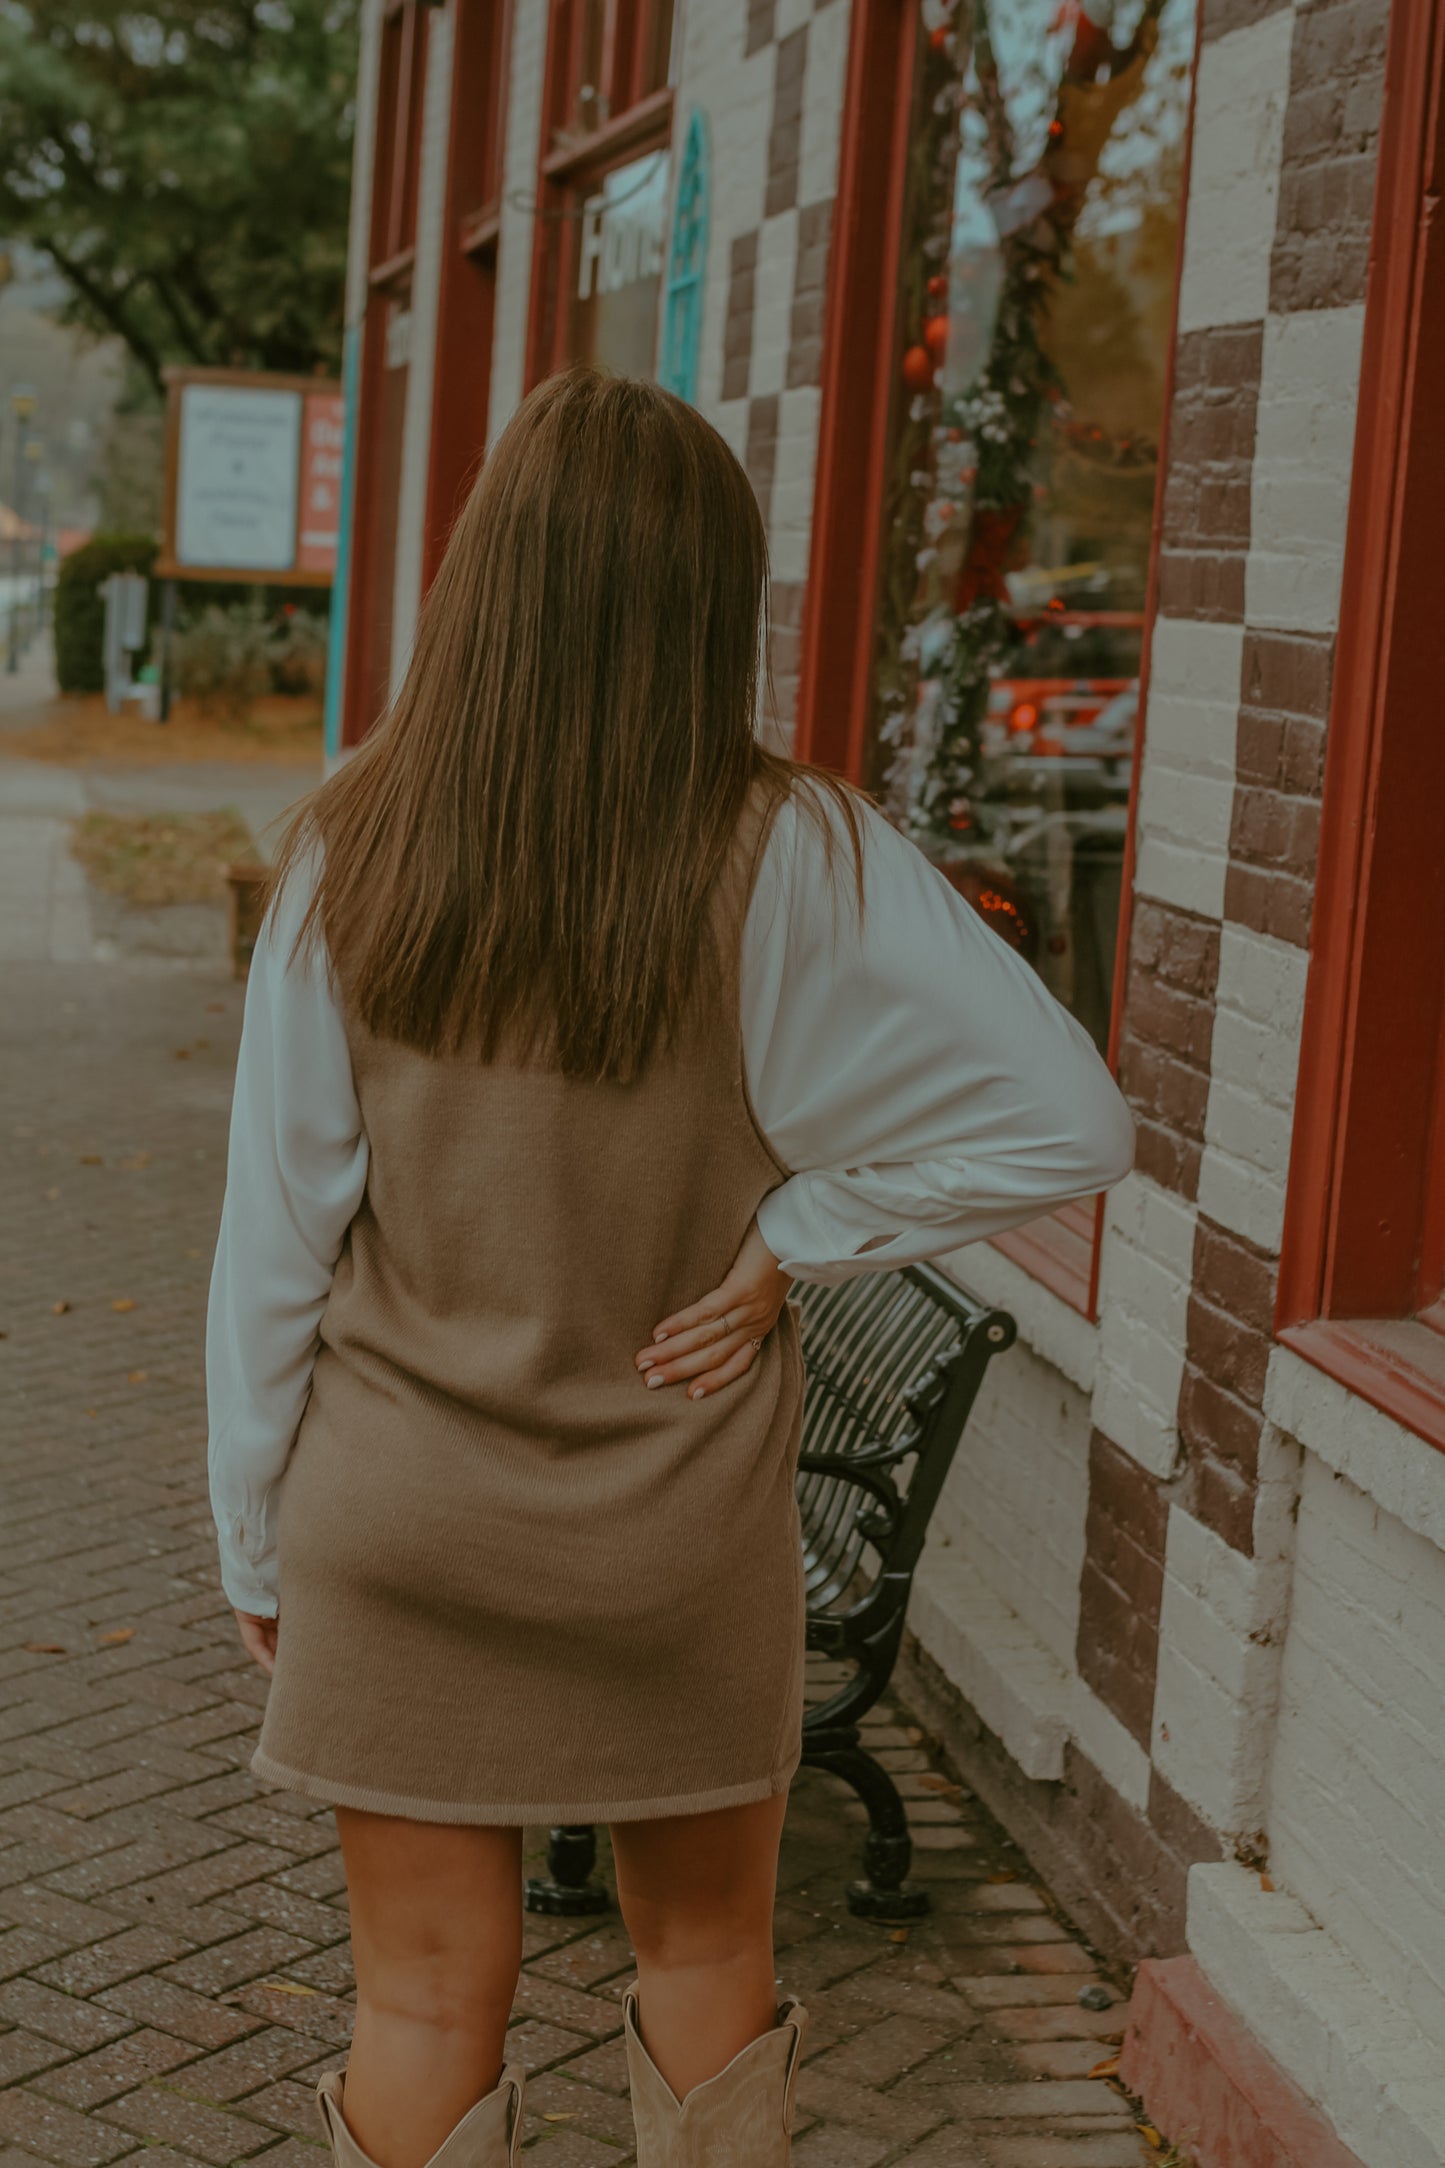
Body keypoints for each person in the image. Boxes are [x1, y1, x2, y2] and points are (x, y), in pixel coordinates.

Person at [207, 368, 1134, 2168]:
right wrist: (797, 1234)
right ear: (711, 601)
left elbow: (275, 1245)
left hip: (399, 1517)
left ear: (482, 580)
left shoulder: (347, 851)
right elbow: (1070, 1125)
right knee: (707, 1959)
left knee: (412, 2006)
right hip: (670, 1521)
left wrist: (253, 1530)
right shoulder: (800, 854)